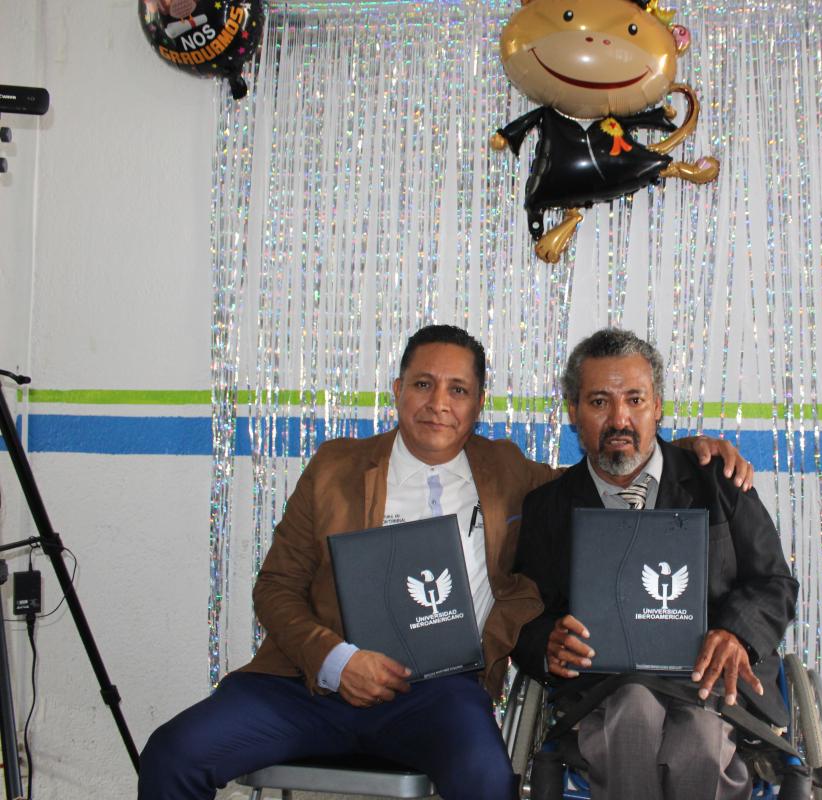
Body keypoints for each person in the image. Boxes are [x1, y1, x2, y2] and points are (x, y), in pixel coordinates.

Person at [138, 324, 753, 800]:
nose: (438, 403)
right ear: (398, 391)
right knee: (171, 753)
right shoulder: (334, 468)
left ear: (478, 403)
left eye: (458, 389)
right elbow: (275, 588)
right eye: (423, 384)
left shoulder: (511, 475)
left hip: (438, 695)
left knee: (488, 781)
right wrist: (335, 660)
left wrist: (687, 452)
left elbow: (606, 472)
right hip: (307, 686)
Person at [512, 328, 798, 800]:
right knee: (634, 711)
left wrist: (736, 634)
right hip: (604, 690)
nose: (619, 419)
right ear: (573, 412)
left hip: (710, 684)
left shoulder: (717, 481)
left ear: (658, 406)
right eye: (599, 402)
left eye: (635, 400)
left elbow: (774, 582)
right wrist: (548, 643)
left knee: (699, 740)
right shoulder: (548, 508)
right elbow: (526, 611)